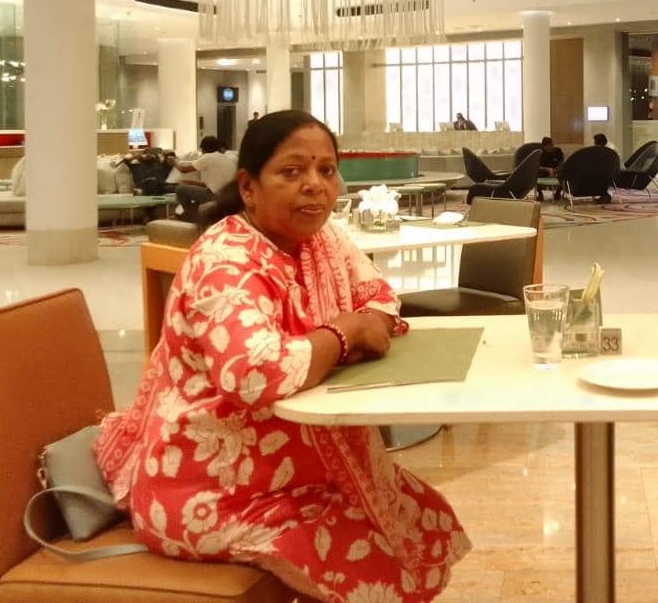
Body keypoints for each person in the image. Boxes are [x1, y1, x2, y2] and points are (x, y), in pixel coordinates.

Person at [94, 110, 469, 602]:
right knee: (368, 551)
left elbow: (379, 296)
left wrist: (350, 331)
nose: (314, 185)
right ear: (248, 187)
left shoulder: (322, 240)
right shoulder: (225, 259)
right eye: (292, 171)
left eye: (326, 170)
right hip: (210, 486)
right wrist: (345, 333)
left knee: (417, 515)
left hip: (290, 467)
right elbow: (255, 373)